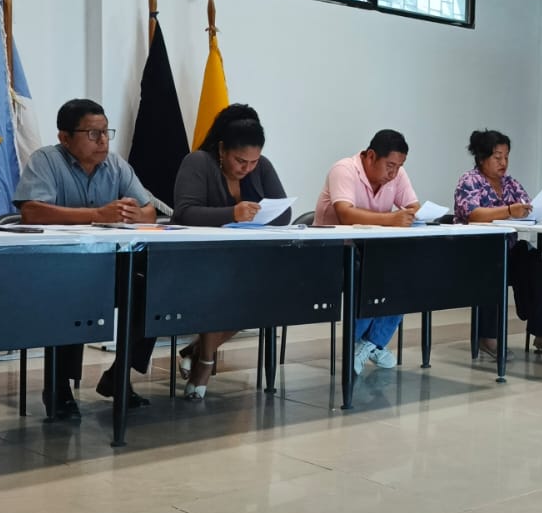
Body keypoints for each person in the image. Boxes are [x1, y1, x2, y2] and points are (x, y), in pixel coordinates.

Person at [14, 98, 158, 418]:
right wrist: (96, 215)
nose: (103, 140)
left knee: (153, 290)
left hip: (108, 265)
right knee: (73, 291)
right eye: (93, 134)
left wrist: (137, 215)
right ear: (65, 138)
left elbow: (149, 211)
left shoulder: (116, 165)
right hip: (57, 267)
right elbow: (31, 212)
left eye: (106, 132)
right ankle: (58, 386)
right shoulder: (46, 160)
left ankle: (119, 375)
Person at [169, 104, 288, 398]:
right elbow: (185, 212)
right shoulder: (198, 162)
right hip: (198, 259)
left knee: (270, 292)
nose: (247, 168)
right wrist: (231, 213)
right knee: (223, 288)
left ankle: (197, 350)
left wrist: (261, 214)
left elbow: (283, 213)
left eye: (253, 162)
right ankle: (205, 362)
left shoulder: (261, 166)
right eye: (240, 161)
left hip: (246, 259)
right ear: (222, 149)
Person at [314, 129, 421, 374]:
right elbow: (345, 214)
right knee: (369, 272)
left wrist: (410, 214)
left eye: (399, 167)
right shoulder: (344, 169)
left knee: (407, 270)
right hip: (333, 252)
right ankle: (358, 343)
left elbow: (413, 206)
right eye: (390, 166)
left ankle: (368, 344)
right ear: (371, 156)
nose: (394, 173)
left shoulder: (397, 174)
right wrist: (392, 219)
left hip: (371, 250)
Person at [453, 129, 542, 358]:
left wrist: (527, 211)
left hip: (507, 249)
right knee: (492, 266)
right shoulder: (469, 180)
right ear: (482, 158)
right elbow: (474, 214)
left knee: (537, 266)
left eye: (506, 157)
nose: (503, 162)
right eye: (497, 157)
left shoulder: (510, 183)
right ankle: (488, 337)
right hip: (474, 253)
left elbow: (527, 207)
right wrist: (510, 210)